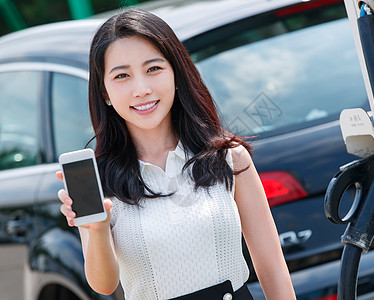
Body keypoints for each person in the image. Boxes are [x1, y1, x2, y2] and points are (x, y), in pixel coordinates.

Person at [58, 8, 296, 300]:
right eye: (122, 76)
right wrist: (96, 230)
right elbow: (104, 285)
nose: (141, 89)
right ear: (104, 92)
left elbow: (272, 269)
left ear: (176, 74)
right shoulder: (99, 181)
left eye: (153, 69)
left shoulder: (228, 158)